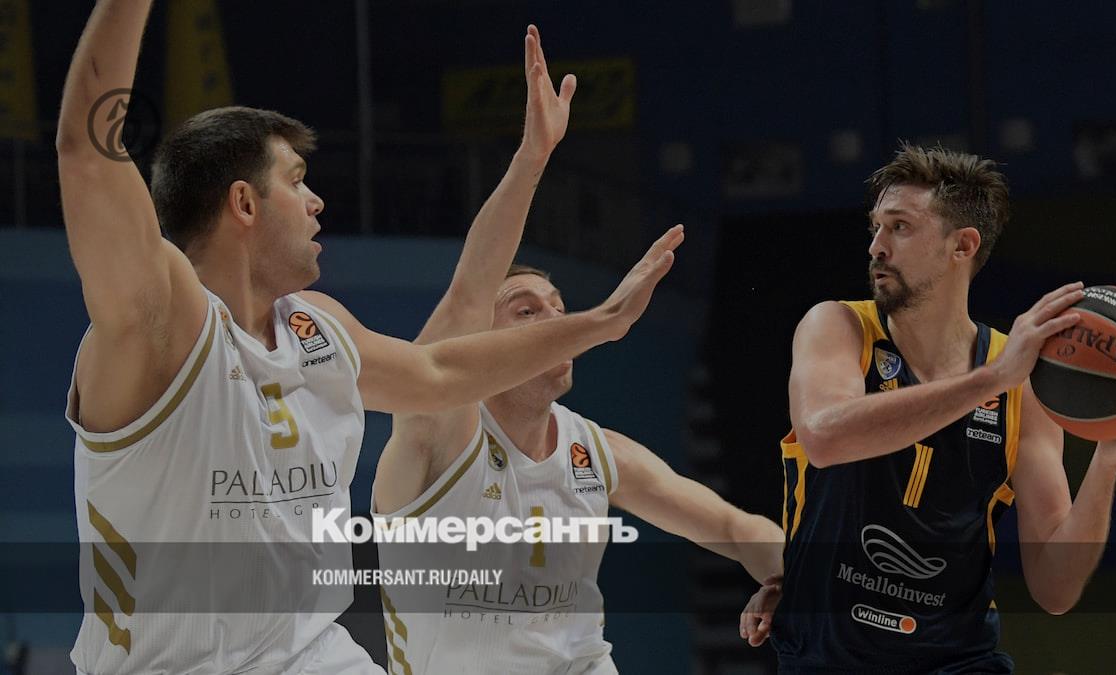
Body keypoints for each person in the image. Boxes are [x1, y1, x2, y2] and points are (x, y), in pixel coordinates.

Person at [57, 4, 681, 674]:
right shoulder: (164, 321)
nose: (317, 201)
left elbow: (442, 369)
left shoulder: (317, 329)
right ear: (243, 204)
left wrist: (597, 317)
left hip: (312, 657)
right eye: (296, 181)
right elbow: (86, 155)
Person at [372, 26, 783, 675]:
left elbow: (735, 528)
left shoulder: (596, 452)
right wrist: (533, 156)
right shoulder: (436, 430)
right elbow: (469, 289)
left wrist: (794, 576)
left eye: (559, 311)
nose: (552, 324)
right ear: (481, 342)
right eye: (526, 311)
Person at [738, 144, 1116, 673]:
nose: (877, 245)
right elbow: (824, 437)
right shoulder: (838, 327)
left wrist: (1107, 460)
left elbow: (1055, 588)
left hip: (957, 661)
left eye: (900, 227)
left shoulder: (1019, 384)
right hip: (826, 659)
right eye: (876, 228)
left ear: (963, 245)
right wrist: (989, 381)